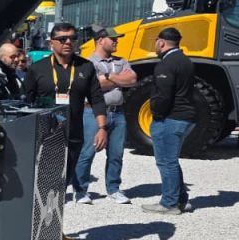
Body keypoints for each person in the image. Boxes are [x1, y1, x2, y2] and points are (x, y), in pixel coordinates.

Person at [22, 22, 108, 202]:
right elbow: (25, 102)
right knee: (44, 185)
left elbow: (97, 99)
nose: (68, 42)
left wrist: (102, 128)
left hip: (73, 134)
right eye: (62, 39)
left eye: (72, 38)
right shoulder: (38, 69)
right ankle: (40, 227)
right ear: (51, 42)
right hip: (45, 136)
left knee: (62, 184)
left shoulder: (85, 67)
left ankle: (54, 228)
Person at [76, 25, 137, 204]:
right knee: (87, 152)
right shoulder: (87, 63)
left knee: (116, 154)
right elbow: (91, 86)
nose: (116, 41)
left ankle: (114, 189)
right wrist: (118, 80)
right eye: (113, 39)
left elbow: (132, 80)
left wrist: (108, 77)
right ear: (100, 40)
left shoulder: (121, 61)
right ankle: (80, 190)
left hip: (117, 113)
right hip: (93, 113)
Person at [143, 27, 196, 215]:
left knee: (166, 162)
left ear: (161, 42)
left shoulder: (166, 64)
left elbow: (164, 95)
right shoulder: (185, 61)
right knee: (171, 161)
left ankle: (169, 203)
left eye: (156, 41)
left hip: (171, 118)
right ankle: (180, 200)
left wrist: (156, 115)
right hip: (184, 116)